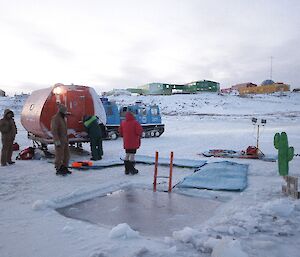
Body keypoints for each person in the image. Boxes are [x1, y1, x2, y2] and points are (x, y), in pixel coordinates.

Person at [50, 104, 71, 176]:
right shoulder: (55, 118)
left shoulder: (62, 118)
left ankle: (65, 167)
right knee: (59, 155)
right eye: (65, 112)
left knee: (66, 155)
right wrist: (56, 140)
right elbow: (54, 130)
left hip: (65, 139)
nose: (66, 113)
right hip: (59, 140)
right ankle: (58, 168)